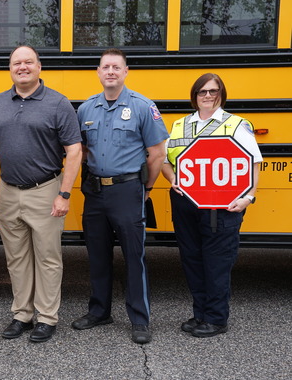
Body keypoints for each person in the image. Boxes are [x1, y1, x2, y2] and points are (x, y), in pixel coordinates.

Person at [0, 45, 82, 343]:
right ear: (10, 69)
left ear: (39, 67)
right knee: (16, 258)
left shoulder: (57, 103)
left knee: (48, 258)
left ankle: (47, 318)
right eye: (16, 63)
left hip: (46, 189)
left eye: (28, 62)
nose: (22, 67)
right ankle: (22, 314)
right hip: (9, 191)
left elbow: (74, 151)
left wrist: (64, 193)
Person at [72, 48, 169, 344]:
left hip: (129, 190)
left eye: (116, 67)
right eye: (105, 67)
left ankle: (140, 319)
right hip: (96, 191)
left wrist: (146, 188)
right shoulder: (86, 109)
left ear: (126, 72)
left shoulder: (142, 106)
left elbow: (157, 153)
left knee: (134, 257)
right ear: (98, 73)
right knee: (97, 255)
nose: (110, 71)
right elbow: (82, 151)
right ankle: (100, 311)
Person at [162, 73, 262, 338]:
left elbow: (254, 162)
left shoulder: (237, 124)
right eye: (202, 92)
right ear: (194, 96)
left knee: (216, 263)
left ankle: (216, 319)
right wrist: (172, 179)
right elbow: (164, 160)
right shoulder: (180, 125)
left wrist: (248, 197)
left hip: (223, 207)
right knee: (192, 260)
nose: (207, 96)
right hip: (186, 204)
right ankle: (200, 314)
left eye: (213, 91)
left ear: (221, 94)